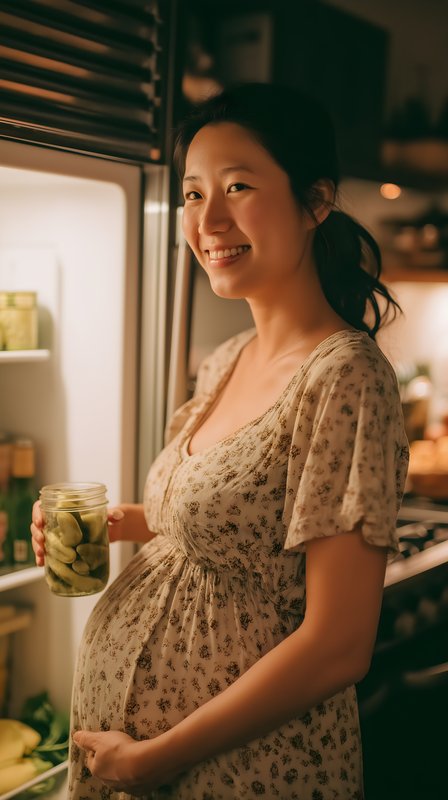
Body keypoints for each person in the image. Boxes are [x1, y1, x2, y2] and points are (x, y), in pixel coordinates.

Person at [31, 82, 409, 800]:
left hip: (248, 773)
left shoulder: (345, 377)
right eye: (194, 193)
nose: (210, 219)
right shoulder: (228, 357)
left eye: (238, 186)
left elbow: (339, 646)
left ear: (316, 201)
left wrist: (155, 757)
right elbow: (238, 537)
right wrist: (117, 526)